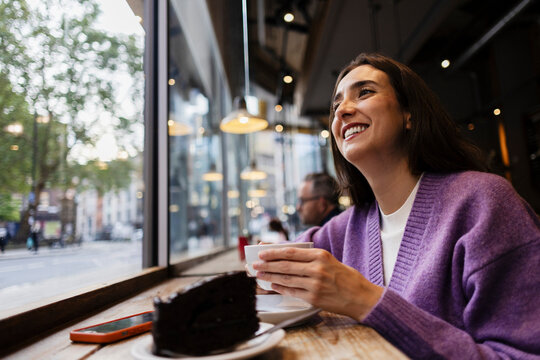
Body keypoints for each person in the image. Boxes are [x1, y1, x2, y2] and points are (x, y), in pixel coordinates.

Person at [252, 53, 540, 358]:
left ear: (409, 113)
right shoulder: (349, 226)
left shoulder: (483, 203)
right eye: (336, 106)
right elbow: (278, 264)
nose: (343, 112)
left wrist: (365, 299)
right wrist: (265, 277)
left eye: (365, 92)